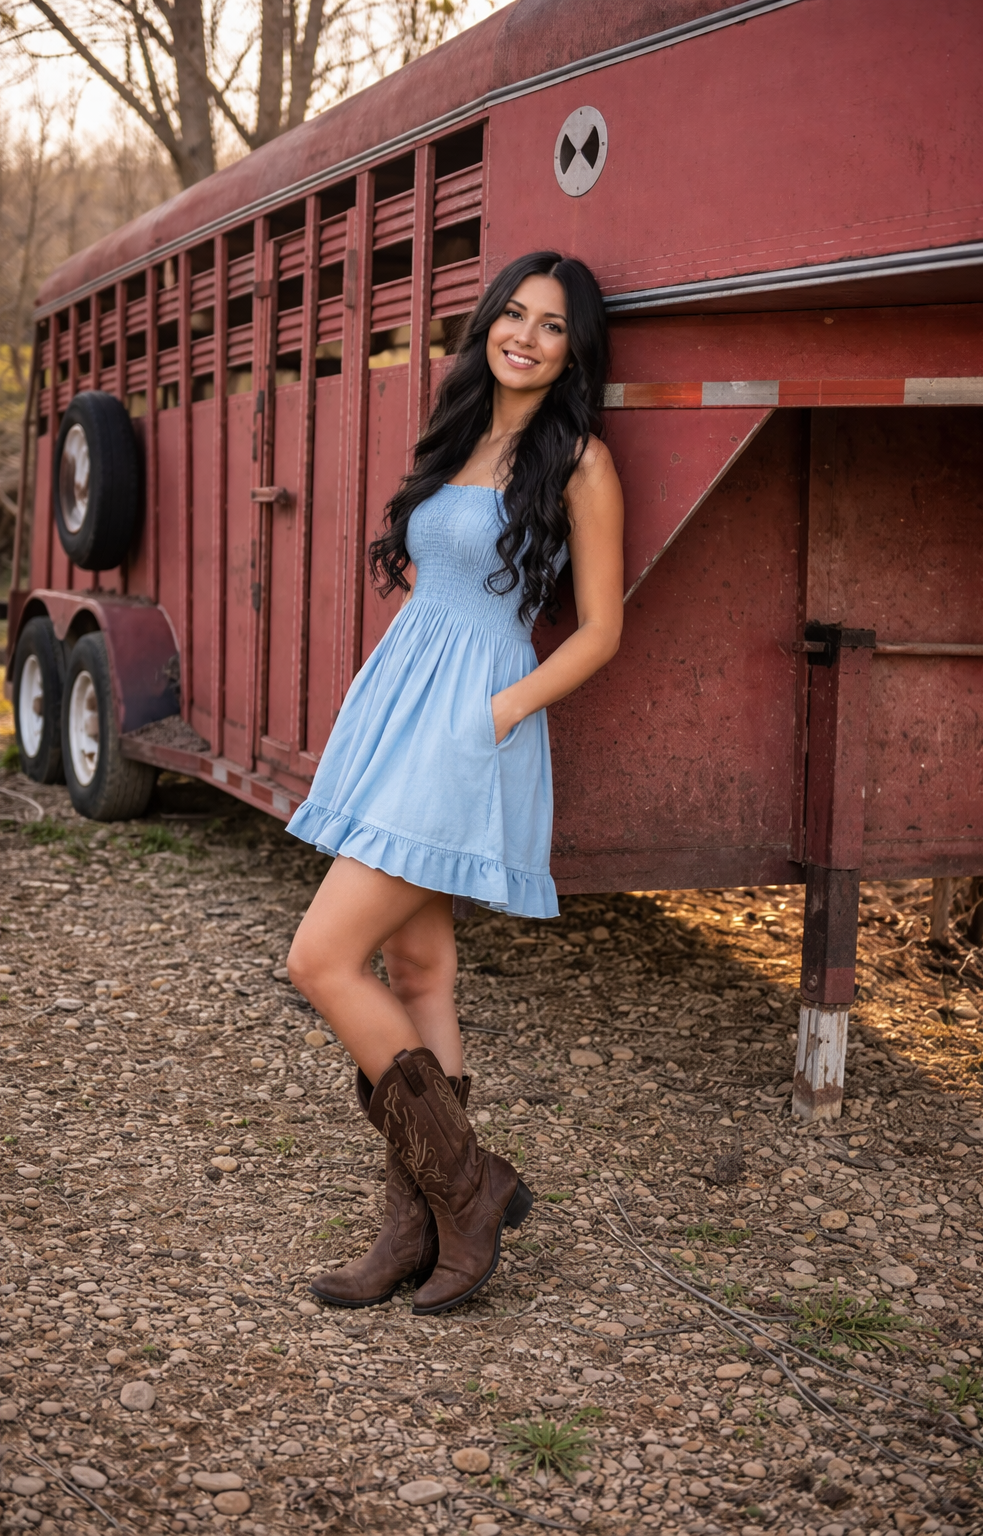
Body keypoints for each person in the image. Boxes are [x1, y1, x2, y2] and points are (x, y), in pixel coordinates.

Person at [285, 250, 624, 1316]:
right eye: (512, 313)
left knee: (319, 958)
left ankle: (470, 1189)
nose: (525, 334)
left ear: (576, 350)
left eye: (552, 324)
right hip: (403, 704)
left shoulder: (580, 460)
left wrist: (500, 714)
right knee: (418, 966)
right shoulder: (461, 433)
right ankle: (416, 1225)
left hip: (469, 720)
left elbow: (604, 628)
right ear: (488, 323)